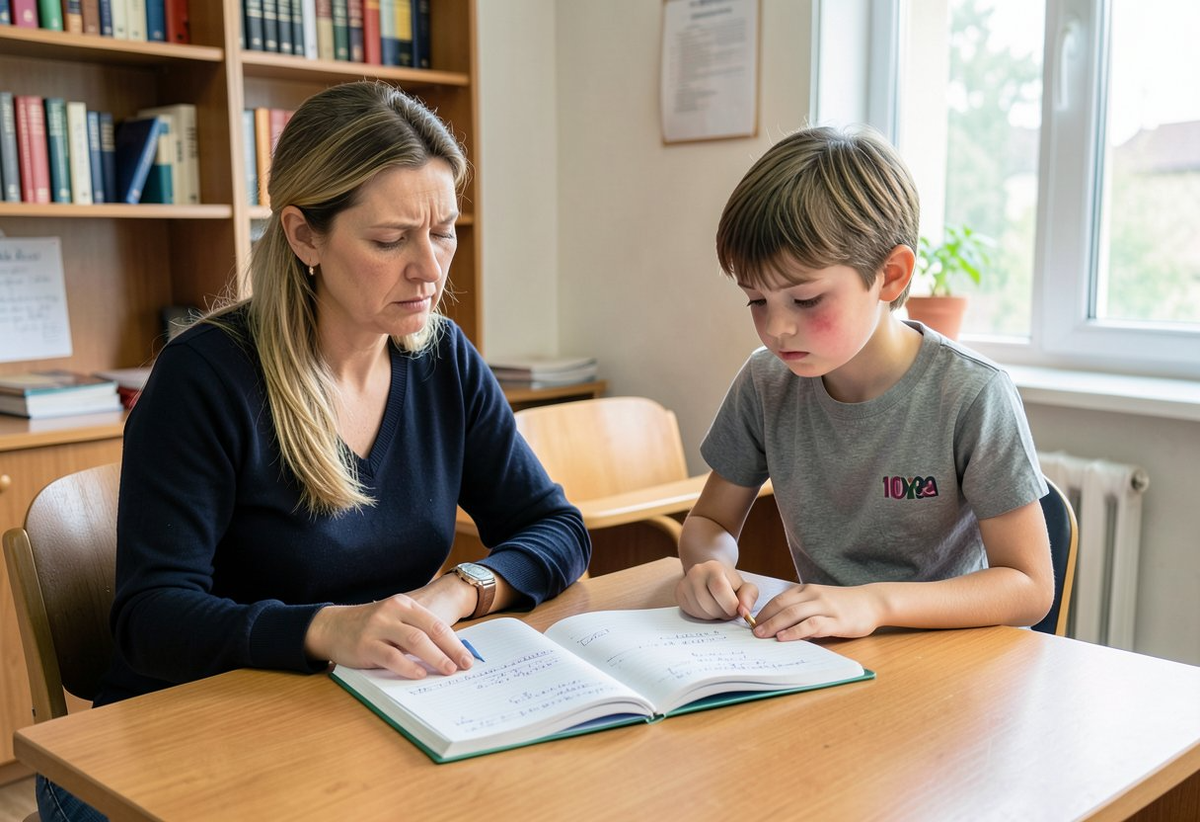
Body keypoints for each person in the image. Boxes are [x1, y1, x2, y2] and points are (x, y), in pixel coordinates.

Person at [37, 80, 589, 822]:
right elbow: (151, 617)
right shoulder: (206, 376)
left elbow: (557, 529)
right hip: (166, 745)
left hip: (342, 716)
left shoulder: (442, 359)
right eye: (391, 240)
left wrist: (459, 591)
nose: (430, 269)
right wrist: (330, 628)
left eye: (446, 230)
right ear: (303, 237)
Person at [675, 125, 1054, 642]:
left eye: (806, 300)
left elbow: (1029, 587)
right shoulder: (766, 382)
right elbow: (710, 523)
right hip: (826, 659)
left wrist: (875, 602)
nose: (777, 327)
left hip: (951, 663)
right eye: (756, 301)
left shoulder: (970, 394)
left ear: (891, 276)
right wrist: (709, 567)